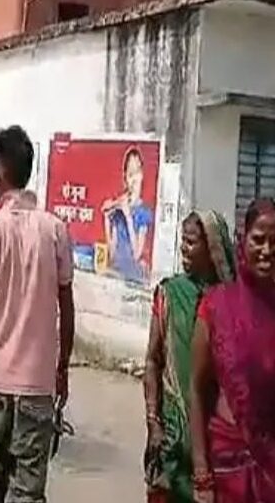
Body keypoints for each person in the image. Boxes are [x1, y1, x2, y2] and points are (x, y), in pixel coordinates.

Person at [0, 125, 76, 503]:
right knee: (27, 493)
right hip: (38, 385)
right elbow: (67, 310)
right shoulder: (55, 230)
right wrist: (61, 370)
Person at [143, 211, 235, 503]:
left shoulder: (231, 302)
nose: (184, 248)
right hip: (172, 435)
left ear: (212, 249)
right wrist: (153, 422)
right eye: (183, 241)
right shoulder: (168, 294)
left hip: (217, 436)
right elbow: (152, 361)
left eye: (192, 242)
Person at [189, 198, 275, 503]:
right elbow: (197, 391)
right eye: (259, 240)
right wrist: (201, 472)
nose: (267, 250)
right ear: (243, 241)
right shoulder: (216, 306)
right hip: (227, 468)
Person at [103, 146, 154, 283]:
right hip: (116, 274)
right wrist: (107, 221)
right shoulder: (118, 210)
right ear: (125, 178)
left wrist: (129, 218)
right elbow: (112, 253)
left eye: (137, 172)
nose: (134, 179)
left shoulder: (144, 212)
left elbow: (137, 254)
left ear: (142, 175)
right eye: (130, 174)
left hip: (133, 278)